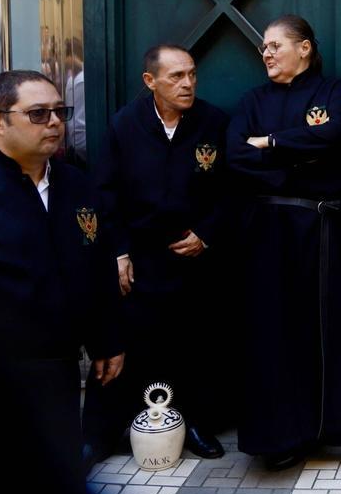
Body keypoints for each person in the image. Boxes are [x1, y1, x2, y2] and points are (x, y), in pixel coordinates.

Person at [226, 14, 341, 488]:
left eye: (276, 44)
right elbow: (236, 156)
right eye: (263, 47)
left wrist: (273, 143)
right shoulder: (252, 100)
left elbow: (331, 135)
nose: (267, 53)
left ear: (304, 48)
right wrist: (293, 164)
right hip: (265, 230)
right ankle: (286, 438)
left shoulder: (331, 92)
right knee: (273, 333)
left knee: (330, 328)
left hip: (318, 225)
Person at [0, 70, 124, 494]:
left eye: (61, 111)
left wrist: (108, 339)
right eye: (39, 114)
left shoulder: (75, 183)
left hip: (59, 370)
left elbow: (97, 267)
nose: (55, 122)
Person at [81, 45, 230, 464]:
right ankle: (101, 433)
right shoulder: (124, 125)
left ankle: (196, 425)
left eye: (191, 75)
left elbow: (230, 191)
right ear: (151, 82)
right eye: (176, 77)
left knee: (196, 343)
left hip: (193, 253)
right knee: (126, 342)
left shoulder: (213, 122)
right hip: (141, 256)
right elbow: (105, 193)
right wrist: (118, 252)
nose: (187, 84)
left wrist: (207, 233)